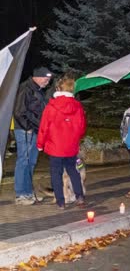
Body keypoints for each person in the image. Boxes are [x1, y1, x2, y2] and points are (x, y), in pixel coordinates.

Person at [36, 75, 87, 210]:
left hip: (55, 147)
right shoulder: (78, 106)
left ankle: (60, 201)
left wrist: (40, 144)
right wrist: (75, 138)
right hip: (71, 146)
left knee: (56, 173)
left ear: (58, 88)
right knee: (73, 171)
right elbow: (82, 128)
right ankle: (79, 197)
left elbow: (44, 127)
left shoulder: (51, 106)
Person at [12, 67, 52, 205]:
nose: (47, 82)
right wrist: (27, 127)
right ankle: (20, 195)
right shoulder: (25, 89)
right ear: (38, 77)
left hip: (35, 130)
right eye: (46, 80)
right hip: (25, 130)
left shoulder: (38, 91)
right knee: (24, 161)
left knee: (32, 161)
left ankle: (28, 193)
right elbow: (18, 112)